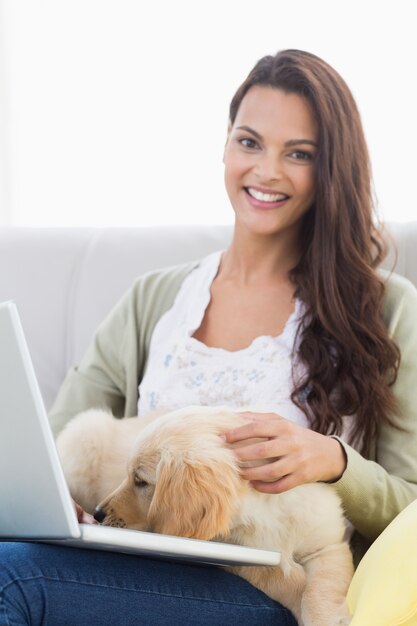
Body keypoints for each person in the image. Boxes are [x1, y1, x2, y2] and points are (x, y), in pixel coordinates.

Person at [1, 48, 417, 626]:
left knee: (11, 578)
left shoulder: (384, 308)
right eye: (249, 142)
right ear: (225, 144)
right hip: (132, 567)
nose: (266, 171)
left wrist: (334, 461)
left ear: (330, 171)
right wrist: (63, 502)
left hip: (274, 586)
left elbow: (412, 504)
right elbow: (42, 452)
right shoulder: (156, 300)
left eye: (298, 154)